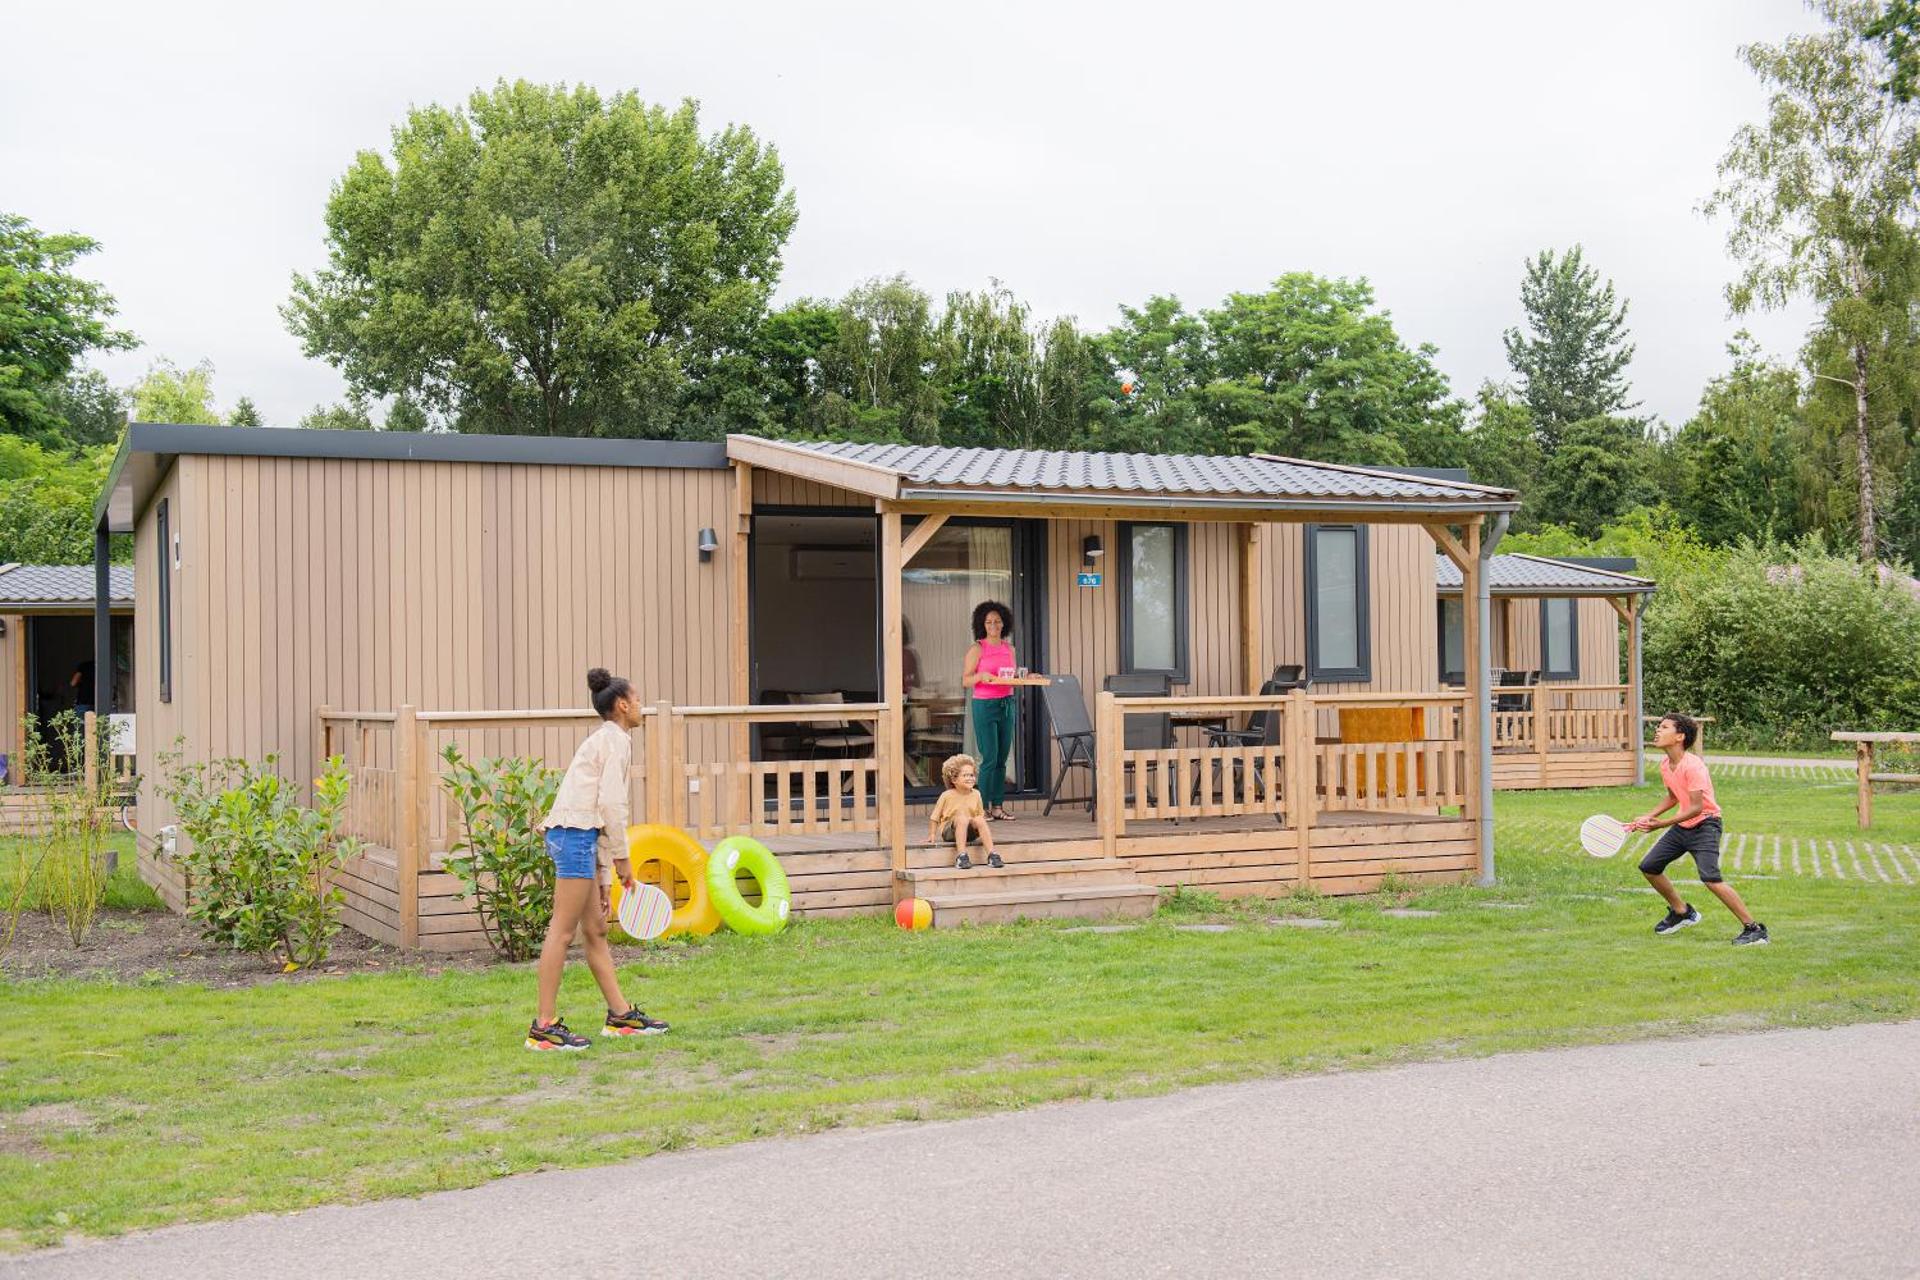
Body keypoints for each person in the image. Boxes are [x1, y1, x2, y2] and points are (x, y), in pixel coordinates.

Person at [526, 668, 671, 1050]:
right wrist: (623, 860)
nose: (642, 707)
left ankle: (620, 1016)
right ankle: (543, 1027)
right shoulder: (616, 741)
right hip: (574, 837)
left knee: (597, 930)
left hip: (580, 836)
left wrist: (605, 875)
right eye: (637, 700)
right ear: (622, 705)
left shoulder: (611, 739)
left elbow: (597, 812)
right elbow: (610, 806)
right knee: (562, 930)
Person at [1627, 713, 1769, 946]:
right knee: (1650, 867)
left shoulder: (1693, 766)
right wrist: (1648, 817)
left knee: (1711, 878)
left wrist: (1660, 825)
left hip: (1706, 825)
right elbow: (1673, 797)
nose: (1657, 730)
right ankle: (1682, 912)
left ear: (1679, 737)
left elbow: (1696, 808)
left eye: (1664, 727)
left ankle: (1754, 929)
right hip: (1684, 825)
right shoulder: (1666, 764)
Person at [962, 600, 1019, 821]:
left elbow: (1011, 676)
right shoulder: (977, 648)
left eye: (997, 621)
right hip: (984, 705)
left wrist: (1026, 677)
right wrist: (980, 677)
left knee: (1002, 759)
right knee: (989, 758)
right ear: (982, 624)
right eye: (989, 621)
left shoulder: (1009, 649)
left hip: (1006, 704)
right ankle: (981, 808)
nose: (993, 624)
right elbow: (966, 680)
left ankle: (997, 807)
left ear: (1004, 623)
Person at [928, 753, 1001, 870]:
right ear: (954, 779)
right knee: (961, 818)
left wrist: (977, 823)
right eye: (965, 775)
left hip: (969, 831)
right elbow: (934, 817)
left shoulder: (976, 794)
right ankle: (961, 856)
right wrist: (932, 835)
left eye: (972, 775)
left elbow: (979, 816)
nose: (970, 778)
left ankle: (992, 854)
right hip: (950, 831)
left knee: (979, 819)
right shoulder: (947, 795)